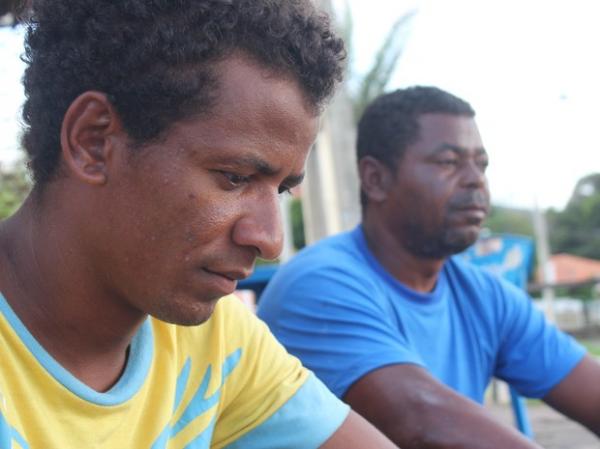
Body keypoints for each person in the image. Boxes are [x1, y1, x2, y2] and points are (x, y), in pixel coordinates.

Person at [0, 1, 398, 448]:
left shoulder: (215, 339)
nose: (269, 239)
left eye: (282, 189)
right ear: (93, 142)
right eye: (235, 178)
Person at [258, 86, 600, 448]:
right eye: (449, 162)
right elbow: (420, 421)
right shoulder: (319, 284)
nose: (475, 179)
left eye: (481, 164)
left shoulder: (486, 297)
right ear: (375, 179)